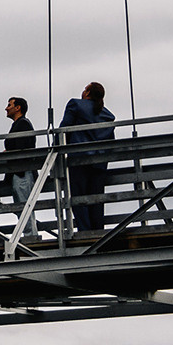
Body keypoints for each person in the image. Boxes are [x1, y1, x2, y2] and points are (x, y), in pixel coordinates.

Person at [60, 82, 118, 232]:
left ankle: (85, 231)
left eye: (85, 89)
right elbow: (111, 143)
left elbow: (63, 130)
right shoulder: (107, 116)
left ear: (87, 93)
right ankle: (97, 231)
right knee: (97, 200)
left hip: (78, 160)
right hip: (99, 164)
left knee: (78, 198)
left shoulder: (76, 105)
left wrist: (57, 150)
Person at [3, 96, 41, 241]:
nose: (6, 108)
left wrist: (9, 152)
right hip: (21, 172)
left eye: (9, 105)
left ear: (18, 108)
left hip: (22, 173)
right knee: (23, 207)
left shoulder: (22, 124)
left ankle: (31, 238)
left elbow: (23, 148)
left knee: (24, 207)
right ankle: (30, 236)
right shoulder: (21, 124)